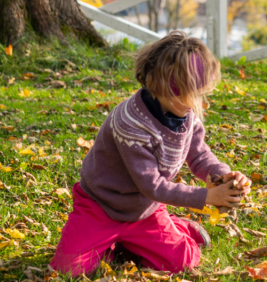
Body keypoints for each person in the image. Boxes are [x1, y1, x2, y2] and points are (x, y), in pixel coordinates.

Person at [50, 32, 251, 275]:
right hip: (100, 206)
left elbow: (199, 156)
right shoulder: (131, 124)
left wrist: (223, 177)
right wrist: (208, 197)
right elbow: (153, 186)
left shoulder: (185, 114)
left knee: (183, 262)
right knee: (66, 269)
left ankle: (175, 229)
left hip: (145, 211)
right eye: (196, 93)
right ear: (170, 87)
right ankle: (116, 243)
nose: (201, 101)